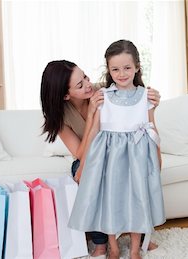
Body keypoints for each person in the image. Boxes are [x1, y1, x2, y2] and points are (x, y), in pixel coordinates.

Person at [40, 60, 161, 258]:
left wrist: (152, 98)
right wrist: (90, 116)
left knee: (130, 172)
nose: (88, 84)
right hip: (90, 158)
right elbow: (80, 153)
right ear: (65, 95)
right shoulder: (60, 117)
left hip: (117, 153)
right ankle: (100, 241)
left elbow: (134, 104)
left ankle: (137, 234)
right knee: (87, 173)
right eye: (80, 85)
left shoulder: (103, 92)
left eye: (85, 77)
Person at [68, 40, 166, 259]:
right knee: (110, 201)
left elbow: (152, 128)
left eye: (127, 68)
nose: (121, 74)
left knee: (138, 200)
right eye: (115, 69)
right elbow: (94, 131)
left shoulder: (145, 96)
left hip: (139, 157)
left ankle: (133, 250)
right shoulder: (103, 96)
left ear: (137, 67)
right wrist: (85, 166)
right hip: (111, 159)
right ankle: (112, 247)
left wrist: (158, 157)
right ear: (108, 71)